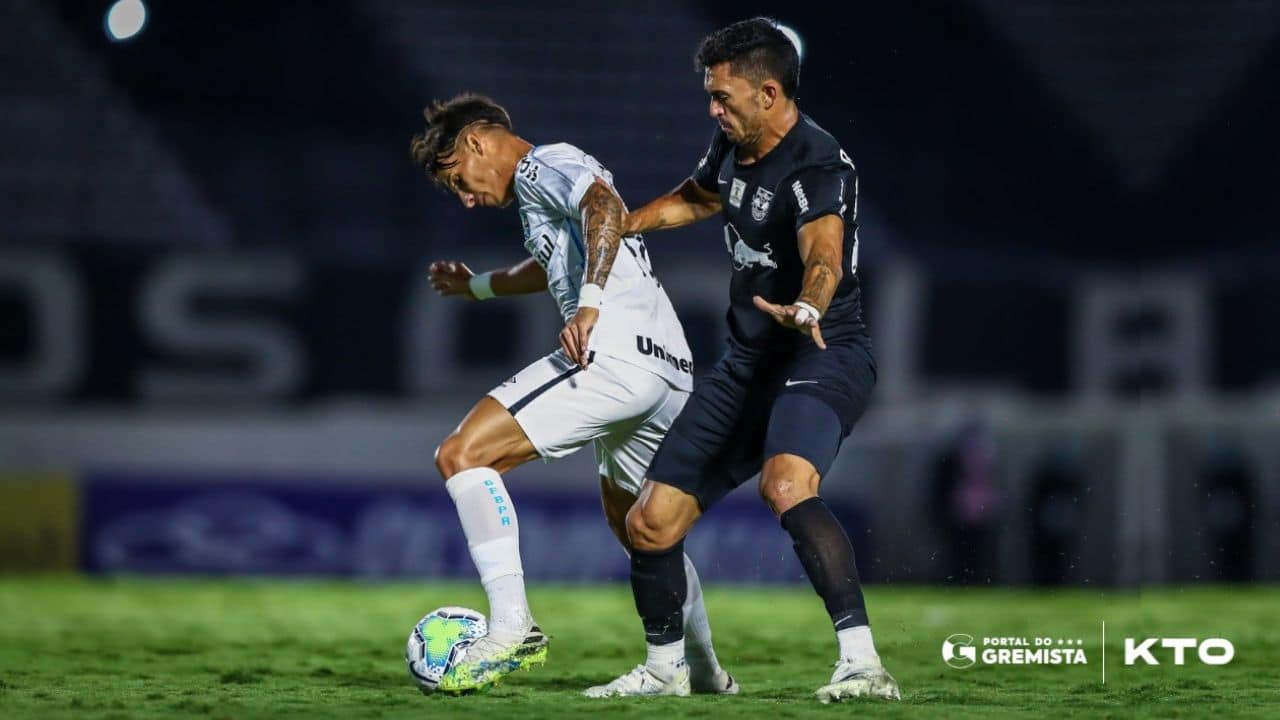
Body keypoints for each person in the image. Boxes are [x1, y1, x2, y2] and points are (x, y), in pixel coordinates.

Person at [584, 18, 899, 702]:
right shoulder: (734, 142)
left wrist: (809, 304)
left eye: (723, 97)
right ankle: (667, 671)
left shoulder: (818, 163)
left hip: (821, 351)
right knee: (649, 521)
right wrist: (623, 223)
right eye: (710, 96)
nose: (712, 109)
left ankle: (863, 665)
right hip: (746, 364)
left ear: (768, 91)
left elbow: (823, 254)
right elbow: (699, 197)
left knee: (786, 486)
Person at [409, 94, 736, 695]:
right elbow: (550, 262)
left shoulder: (545, 165)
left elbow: (604, 207)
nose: (467, 198)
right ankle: (704, 670)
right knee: (645, 531)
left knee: (462, 455)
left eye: (460, 179)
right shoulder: (541, 197)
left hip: (614, 353)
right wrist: (477, 286)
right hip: (667, 366)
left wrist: (589, 306)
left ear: (478, 143)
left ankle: (512, 628)